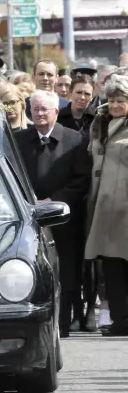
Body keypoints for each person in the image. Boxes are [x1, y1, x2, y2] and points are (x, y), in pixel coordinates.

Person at [14, 90, 92, 338]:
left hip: (64, 216)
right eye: (35, 109)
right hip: (29, 216)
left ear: (56, 112)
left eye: (44, 109)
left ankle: (64, 323)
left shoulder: (74, 140)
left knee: (67, 269)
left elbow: (81, 179)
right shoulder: (19, 140)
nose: (39, 113)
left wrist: (54, 200)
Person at [85, 75, 128, 336]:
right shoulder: (99, 125)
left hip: (126, 209)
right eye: (111, 100)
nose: (114, 105)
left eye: (121, 100)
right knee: (111, 268)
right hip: (104, 209)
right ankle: (122, 321)